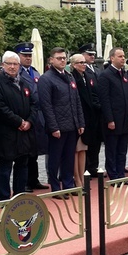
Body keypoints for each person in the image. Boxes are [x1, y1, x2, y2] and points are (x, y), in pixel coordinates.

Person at [0, 51, 37, 200]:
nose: (12, 67)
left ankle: (19, 196)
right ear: (3, 65)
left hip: (24, 133)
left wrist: (29, 121)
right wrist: (19, 122)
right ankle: (3, 198)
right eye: (9, 64)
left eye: (15, 64)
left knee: (22, 166)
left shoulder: (24, 82)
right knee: (5, 166)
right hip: (6, 133)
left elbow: (35, 104)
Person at [38, 47, 85, 191]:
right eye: (59, 58)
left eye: (64, 58)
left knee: (69, 158)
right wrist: (53, 127)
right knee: (55, 159)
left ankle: (68, 185)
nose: (62, 60)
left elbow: (76, 101)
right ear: (51, 60)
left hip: (71, 125)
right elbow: (46, 106)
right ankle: (55, 187)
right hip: (57, 127)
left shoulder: (70, 77)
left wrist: (80, 122)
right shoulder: (46, 79)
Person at [14, 42, 48, 192]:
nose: (28, 58)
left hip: (37, 116)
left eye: (29, 56)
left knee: (34, 151)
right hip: (25, 115)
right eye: (25, 56)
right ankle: (25, 182)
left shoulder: (35, 72)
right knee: (25, 153)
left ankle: (33, 179)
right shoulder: (17, 73)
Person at [97, 47, 128, 180]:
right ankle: (113, 174)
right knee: (112, 149)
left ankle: (120, 173)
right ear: (112, 58)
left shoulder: (124, 74)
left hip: (124, 119)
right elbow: (104, 100)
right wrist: (109, 119)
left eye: (123, 56)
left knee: (122, 149)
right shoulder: (105, 75)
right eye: (120, 56)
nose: (123, 58)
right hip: (113, 120)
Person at [70, 53, 99, 186]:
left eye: (84, 62)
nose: (83, 65)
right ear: (74, 65)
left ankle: (82, 176)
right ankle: (77, 179)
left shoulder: (86, 76)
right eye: (80, 63)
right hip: (78, 119)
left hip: (88, 118)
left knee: (83, 150)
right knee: (76, 150)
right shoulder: (72, 78)